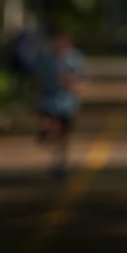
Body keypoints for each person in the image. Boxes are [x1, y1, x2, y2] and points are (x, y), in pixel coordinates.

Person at [33, 28, 84, 179]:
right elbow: (37, 77)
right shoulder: (45, 57)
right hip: (48, 100)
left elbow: (81, 79)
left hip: (66, 103)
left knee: (63, 135)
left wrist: (71, 81)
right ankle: (46, 135)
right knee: (50, 126)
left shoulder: (74, 58)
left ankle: (60, 162)